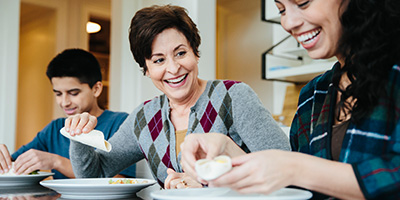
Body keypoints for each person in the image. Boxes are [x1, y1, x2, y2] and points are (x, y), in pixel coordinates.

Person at [180, 0, 400, 199]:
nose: (288, 23)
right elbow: (301, 191)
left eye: (303, 3)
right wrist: (229, 154)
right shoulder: (313, 95)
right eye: (281, 10)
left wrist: (294, 168)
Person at [63, 5, 290, 189]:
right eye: (159, 60)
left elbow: (287, 170)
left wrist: (209, 190)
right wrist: (79, 137)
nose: (173, 69)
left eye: (181, 53)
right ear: (147, 69)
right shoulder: (144, 118)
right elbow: (95, 173)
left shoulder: (234, 97)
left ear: (195, 52)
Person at [0, 49, 136, 179]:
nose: (64, 102)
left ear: (96, 89)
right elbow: (11, 163)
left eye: (73, 93)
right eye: (58, 94)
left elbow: (120, 180)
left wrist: (56, 162)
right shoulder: (54, 128)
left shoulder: (121, 123)